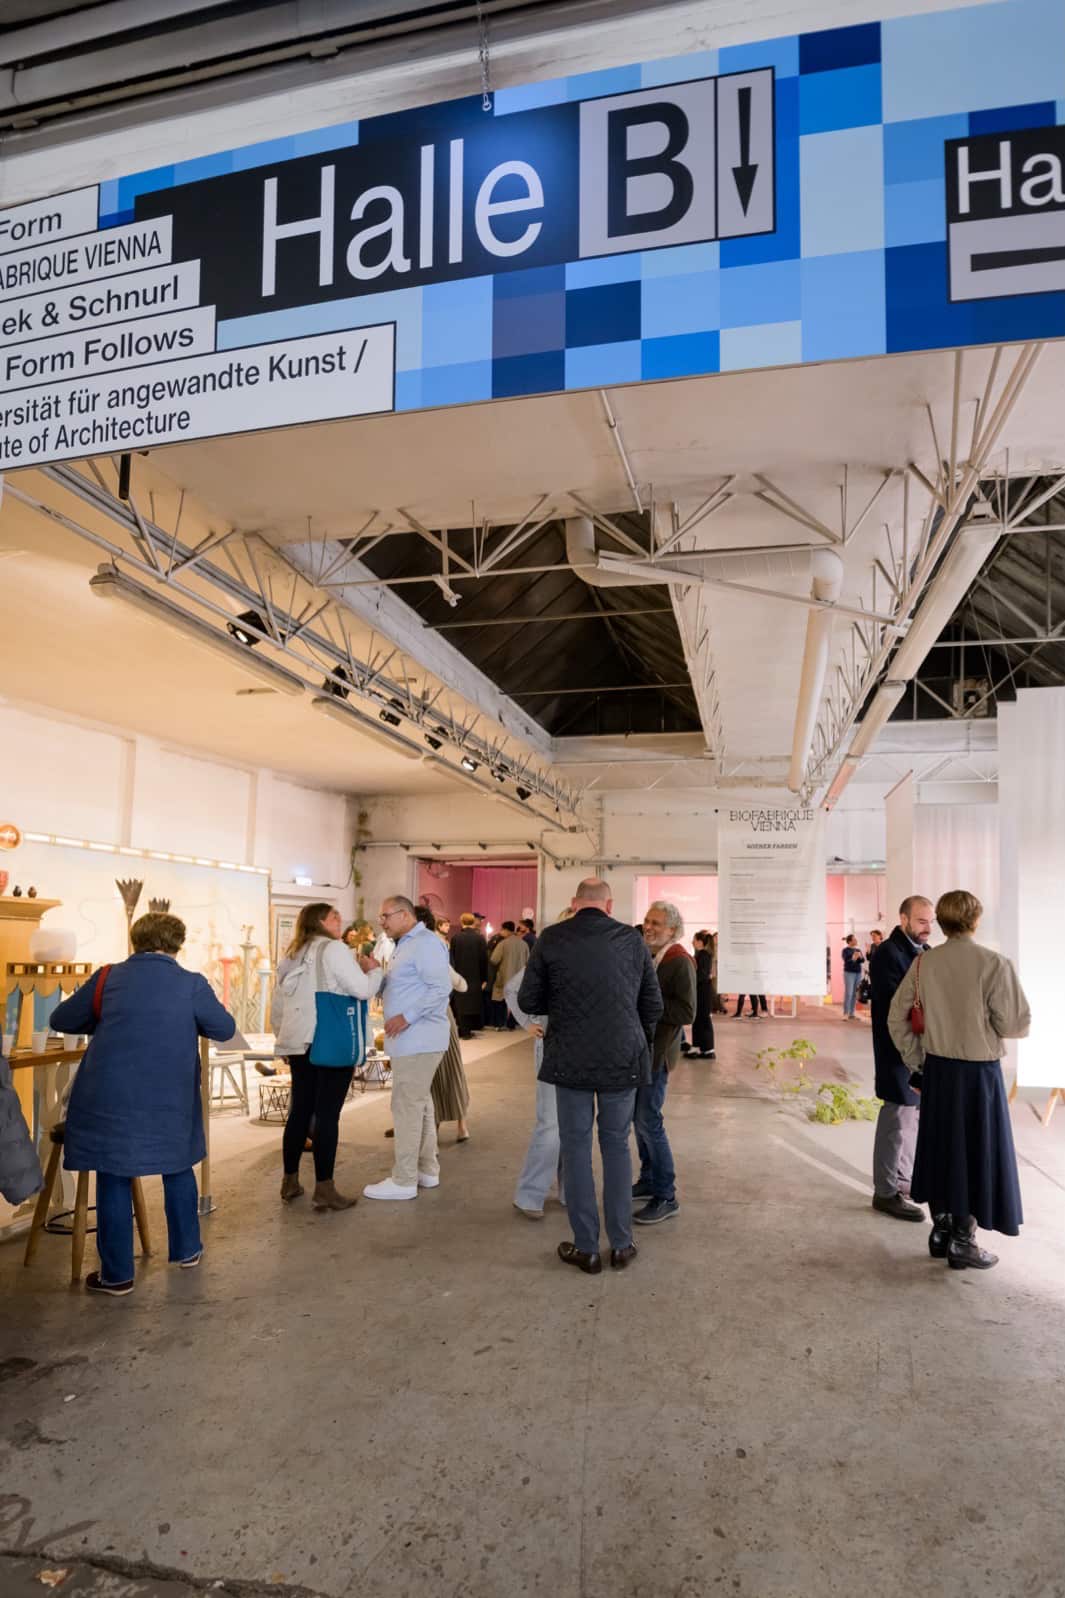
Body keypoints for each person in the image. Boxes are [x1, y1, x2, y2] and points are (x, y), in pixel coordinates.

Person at [49, 912, 235, 1296]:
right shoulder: (191, 984)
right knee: (178, 1166)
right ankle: (187, 1250)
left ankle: (117, 1276)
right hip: (170, 1097)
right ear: (177, 944)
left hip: (109, 1097)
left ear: (136, 940)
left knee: (114, 1175)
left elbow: (62, 1018)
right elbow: (225, 1029)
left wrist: (107, 1018)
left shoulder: (107, 977)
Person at [517, 878, 662, 1274]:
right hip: (622, 1058)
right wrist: (636, 1039)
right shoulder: (632, 941)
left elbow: (528, 999)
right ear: (610, 905)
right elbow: (653, 1003)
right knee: (617, 1146)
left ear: (574, 903)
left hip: (571, 1058)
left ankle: (587, 1248)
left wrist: (562, 1002)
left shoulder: (552, 937)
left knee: (577, 1149)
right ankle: (621, 1244)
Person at [889, 890, 1029, 1271]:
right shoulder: (994, 964)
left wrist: (917, 1061)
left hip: (938, 1070)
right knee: (974, 1153)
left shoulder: (923, 965)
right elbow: (1016, 1024)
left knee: (940, 1148)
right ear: (975, 920)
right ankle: (964, 1242)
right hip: (979, 1075)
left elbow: (895, 1018)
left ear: (943, 922)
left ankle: (942, 1231)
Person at [272, 901, 381, 1210]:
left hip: (298, 1043)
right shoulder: (334, 950)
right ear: (320, 921)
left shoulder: (292, 953)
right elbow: (360, 989)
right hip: (327, 1041)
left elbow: (279, 1004)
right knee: (327, 1115)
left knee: (300, 1111)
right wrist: (375, 974)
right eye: (334, 916)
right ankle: (325, 1186)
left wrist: (282, 1038)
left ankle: (290, 1180)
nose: (339, 919)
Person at [362, 895, 452, 1201]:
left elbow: (441, 988)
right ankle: (427, 1170)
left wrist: (407, 1016)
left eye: (385, 916)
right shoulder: (407, 945)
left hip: (419, 1038)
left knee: (406, 1108)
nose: (382, 922)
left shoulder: (425, 943)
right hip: (413, 1039)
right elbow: (407, 985)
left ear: (404, 915)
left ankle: (403, 1180)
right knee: (420, 1105)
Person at [869, 894, 933, 1221]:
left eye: (931, 922)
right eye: (921, 921)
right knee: (896, 1116)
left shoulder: (923, 952)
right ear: (904, 919)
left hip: (918, 1051)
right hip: (896, 1049)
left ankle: (903, 1180)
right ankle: (885, 1191)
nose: (927, 928)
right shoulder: (887, 955)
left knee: (912, 1118)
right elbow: (897, 1008)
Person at [633, 901, 695, 1225]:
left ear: (672, 929)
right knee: (638, 1119)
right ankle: (648, 1178)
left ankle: (666, 1194)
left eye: (656, 923)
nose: (649, 926)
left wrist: (647, 1007)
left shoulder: (679, 961)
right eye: (647, 920)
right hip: (645, 1051)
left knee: (648, 1120)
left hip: (658, 1054)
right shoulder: (655, 955)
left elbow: (687, 1012)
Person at [505, 969, 564, 1219]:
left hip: (585, 1049)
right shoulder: (549, 949)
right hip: (552, 1046)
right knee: (551, 1123)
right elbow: (512, 988)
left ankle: (571, 1191)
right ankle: (530, 1194)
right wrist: (529, 1023)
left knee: (575, 1125)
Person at [416, 906, 470, 1144]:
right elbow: (461, 984)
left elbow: (459, 983)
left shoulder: (423, 949)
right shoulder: (436, 947)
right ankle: (460, 1125)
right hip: (440, 1016)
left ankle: (436, 1129)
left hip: (428, 1019)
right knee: (450, 1071)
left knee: (435, 1075)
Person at [449, 912, 489, 1039]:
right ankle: (469, 1029)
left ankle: (463, 1030)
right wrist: (484, 978)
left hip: (460, 975)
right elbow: (484, 960)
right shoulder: (480, 938)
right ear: (473, 922)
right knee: (473, 1003)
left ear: (461, 922)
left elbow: (452, 959)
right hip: (475, 976)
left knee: (461, 1003)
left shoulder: (456, 938)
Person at [489, 921, 528, 1029]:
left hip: (504, 977)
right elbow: (528, 961)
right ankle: (512, 1024)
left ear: (506, 930)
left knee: (500, 1000)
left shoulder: (503, 944)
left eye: (502, 929)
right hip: (519, 978)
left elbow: (494, 960)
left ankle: (500, 1024)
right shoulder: (523, 944)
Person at [689, 930, 716, 1059]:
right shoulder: (703, 954)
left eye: (694, 940)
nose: (692, 942)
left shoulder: (703, 955)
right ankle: (701, 1048)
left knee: (702, 1019)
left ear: (700, 942)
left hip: (702, 991)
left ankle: (706, 1049)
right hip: (702, 990)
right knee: (700, 1019)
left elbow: (701, 975)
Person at [841, 935, 864, 1019]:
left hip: (858, 973)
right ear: (850, 941)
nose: (856, 940)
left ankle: (852, 1013)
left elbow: (862, 960)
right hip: (849, 973)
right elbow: (847, 961)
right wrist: (853, 958)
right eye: (854, 939)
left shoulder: (858, 950)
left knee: (855, 993)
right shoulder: (845, 950)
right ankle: (845, 1013)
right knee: (849, 993)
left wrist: (860, 957)